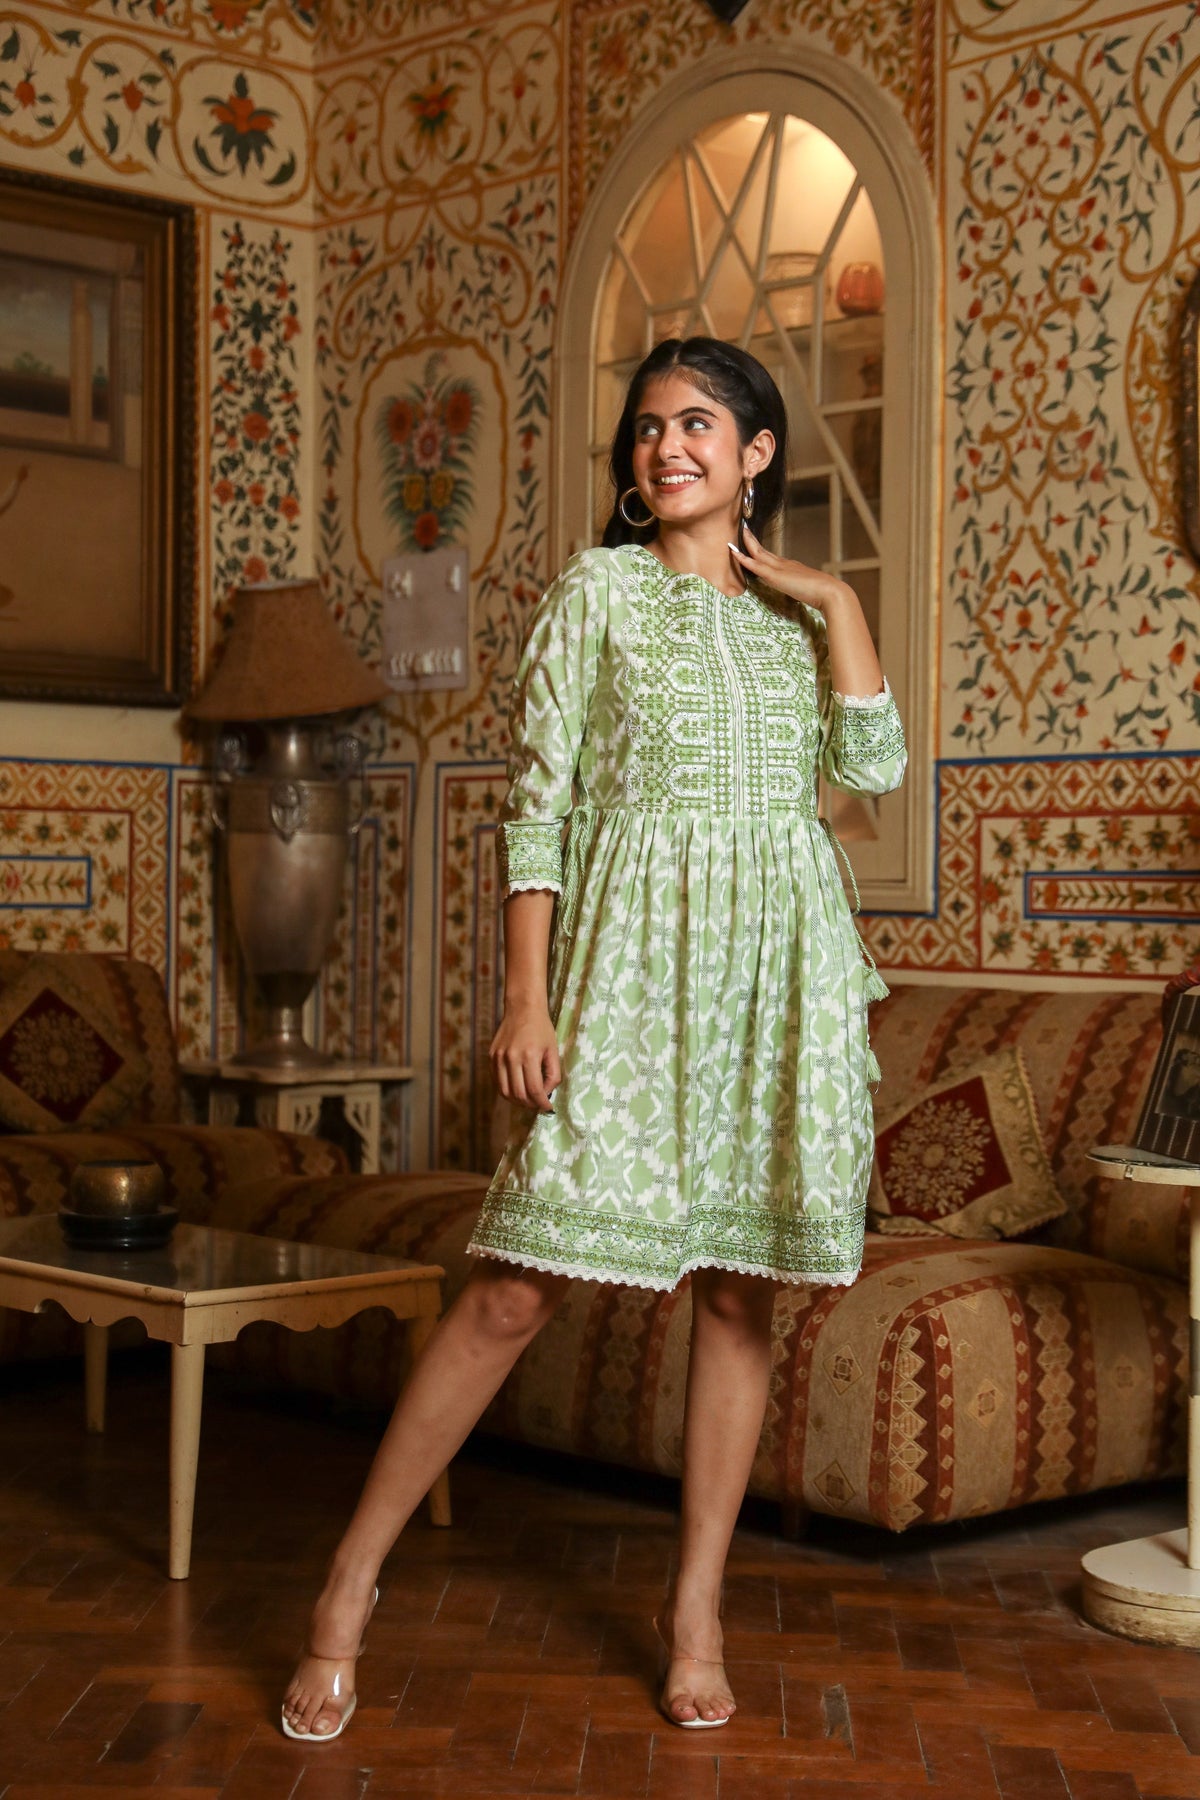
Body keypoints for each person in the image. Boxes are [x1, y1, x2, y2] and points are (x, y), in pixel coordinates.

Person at [281, 335, 906, 1741]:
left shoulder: (797, 625)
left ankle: (697, 1614)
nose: (665, 445)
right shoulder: (597, 595)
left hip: (779, 983)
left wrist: (837, 598)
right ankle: (348, 1582)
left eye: (699, 424)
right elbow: (538, 810)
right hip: (627, 977)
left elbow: (870, 772)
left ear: (756, 453)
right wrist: (526, 997)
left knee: (738, 1297)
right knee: (514, 1289)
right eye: (647, 427)